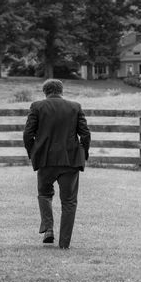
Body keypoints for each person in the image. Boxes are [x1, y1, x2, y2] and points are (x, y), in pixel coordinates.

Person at [23, 79, 91, 249]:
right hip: (70, 161)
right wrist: (84, 154)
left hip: (45, 160)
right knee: (69, 202)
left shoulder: (37, 106)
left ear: (45, 92)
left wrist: (34, 153)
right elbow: (85, 134)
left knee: (44, 194)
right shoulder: (75, 107)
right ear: (61, 91)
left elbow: (27, 134)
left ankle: (48, 229)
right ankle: (64, 243)